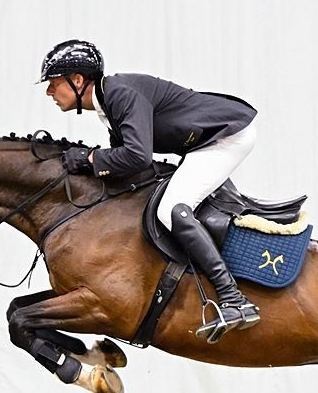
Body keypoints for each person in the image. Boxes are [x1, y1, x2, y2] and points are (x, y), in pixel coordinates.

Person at [39, 39, 261, 343]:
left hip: (226, 137)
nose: (49, 92)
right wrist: (89, 165)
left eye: (53, 83)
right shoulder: (108, 103)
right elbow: (130, 164)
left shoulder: (119, 94)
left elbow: (137, 157)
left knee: (172, 209)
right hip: (207, 140)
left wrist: (90, 158)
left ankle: (234, 299)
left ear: (77, 80)